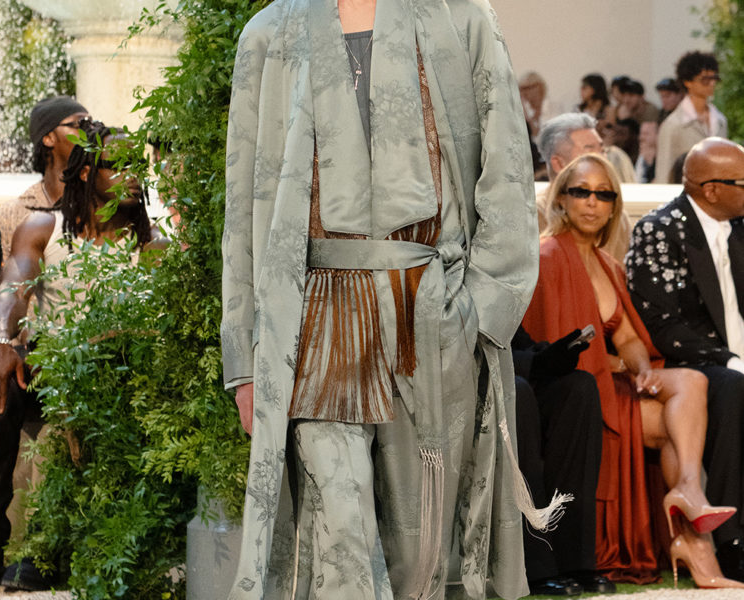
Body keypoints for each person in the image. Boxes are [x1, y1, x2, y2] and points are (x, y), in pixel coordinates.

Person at [221, 0, 557, 599]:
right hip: (315, 312)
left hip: (430, 308)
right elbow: (244, 201)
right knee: (338, 534)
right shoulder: (270, 31)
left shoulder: (462, 18)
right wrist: (245, 359)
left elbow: (507, 166)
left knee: (422, 542)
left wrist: (481, 311)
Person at [523, 152, 742, 588]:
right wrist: (621, 365)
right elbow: (557, 350)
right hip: (575, 389)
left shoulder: (607, 264)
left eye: (604, 195)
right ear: (561, 198)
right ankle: (696, 546)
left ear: (613, 206)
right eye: (581, 192)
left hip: (611, 379)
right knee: (677, 426)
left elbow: (628, 338)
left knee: (691, 382)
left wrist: (640, 369)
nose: (592, 203)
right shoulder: (547, 257)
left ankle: (689, 494)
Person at [0, 121, 156, 591]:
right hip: (45, 368)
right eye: (117, 166)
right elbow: (13, 287)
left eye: (137, 166)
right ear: (85, 172)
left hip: (112, 375)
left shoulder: (149, 244)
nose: (132, 176)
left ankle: (46, 549)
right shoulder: (46, 227)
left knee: (88, 400)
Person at [626, 137, 744, 583]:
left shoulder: (741, 225)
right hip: (693, 361)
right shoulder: (660, 230)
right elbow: (661, 323)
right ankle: (732, 542)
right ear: (711, 189)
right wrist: (730, 360)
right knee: (732, 388)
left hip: (732, 359)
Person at [513, 327, 614, 596]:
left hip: (512, 369)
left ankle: (574, 561)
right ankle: (536, 566)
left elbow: (517, 341)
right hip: (464, 378)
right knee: (517, 391)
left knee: (579, 387)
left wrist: (551, 355)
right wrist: (533, 363)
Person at [0, 96, 90, 259]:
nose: (91, 132)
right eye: (81, 124)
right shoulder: (13, 214)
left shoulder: (101, 203)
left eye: (92, 124)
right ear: (48, 138)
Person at [538, 113, 632, 261]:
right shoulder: (532, 216)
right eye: (590, 152)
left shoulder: (618, 217)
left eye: (602, 150)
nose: (602, 159)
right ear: (558, 164)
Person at [655, 51, 727, 183]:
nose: (712, 83)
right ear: (688, 82)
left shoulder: (720, 120)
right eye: (705, 80)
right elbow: (664, 172)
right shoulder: (673, 125)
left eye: (714, 78)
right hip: (685, 191)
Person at [519, 71, 561, 144]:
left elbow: (544, 140)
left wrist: (529, 121)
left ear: (539, 88)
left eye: (527, 88)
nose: (523, 93)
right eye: (521, 89)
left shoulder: (554, 108)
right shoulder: (525, 110)